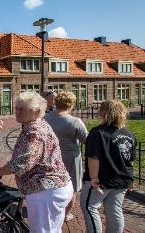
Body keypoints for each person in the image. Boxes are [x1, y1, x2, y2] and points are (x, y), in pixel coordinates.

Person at [0, 92, 73, 233]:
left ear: (37, 111)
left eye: (21, 109)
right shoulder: (40, 124)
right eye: (16, 108)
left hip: (45, 191)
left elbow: (22, 163)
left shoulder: (34, 131)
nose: (17, 112)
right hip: (57, 187)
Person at [80, 100, 136, 233]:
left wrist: (93, 179)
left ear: (104, 112)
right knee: (114, 209)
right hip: (122, 179)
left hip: (101, 180)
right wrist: (130, 178)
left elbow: (93, 157)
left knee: (89, 207)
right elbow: (130, 160)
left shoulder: (98, 132)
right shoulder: (129, 134)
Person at [44, 91, 88, 222]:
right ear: (71, 104)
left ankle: (51, 209)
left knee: (51, 184)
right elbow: (87, 140)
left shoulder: (45, 118)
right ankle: (65, 213)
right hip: (71, 157)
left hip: (51, 155)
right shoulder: (75, 121)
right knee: (72, 187)